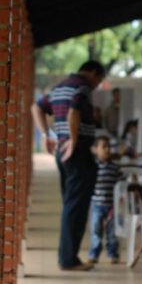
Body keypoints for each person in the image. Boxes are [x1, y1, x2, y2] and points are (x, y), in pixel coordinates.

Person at [31, 60, 106, 271]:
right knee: (76, 207)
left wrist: (47, 134)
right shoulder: (82, 87)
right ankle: (68, 259)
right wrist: (73, 139)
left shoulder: (59, 87)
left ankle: (67, 256)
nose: (97, 84)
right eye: (99, 80)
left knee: (70, 205)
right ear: (92, 73)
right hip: (77, 152)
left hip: (63, 151)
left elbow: (36, 107)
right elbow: (74, 111)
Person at [88, 136, 122, 264]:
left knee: (112, 232)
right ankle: (94, 253)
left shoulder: (114, 168)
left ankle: (113, 253)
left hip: (112, 206)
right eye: (103, 147)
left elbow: (120, 183)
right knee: (96, 230)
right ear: (95, 150)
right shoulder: (92, 167)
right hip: (96, 204)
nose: (107, 149)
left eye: (109, 147)